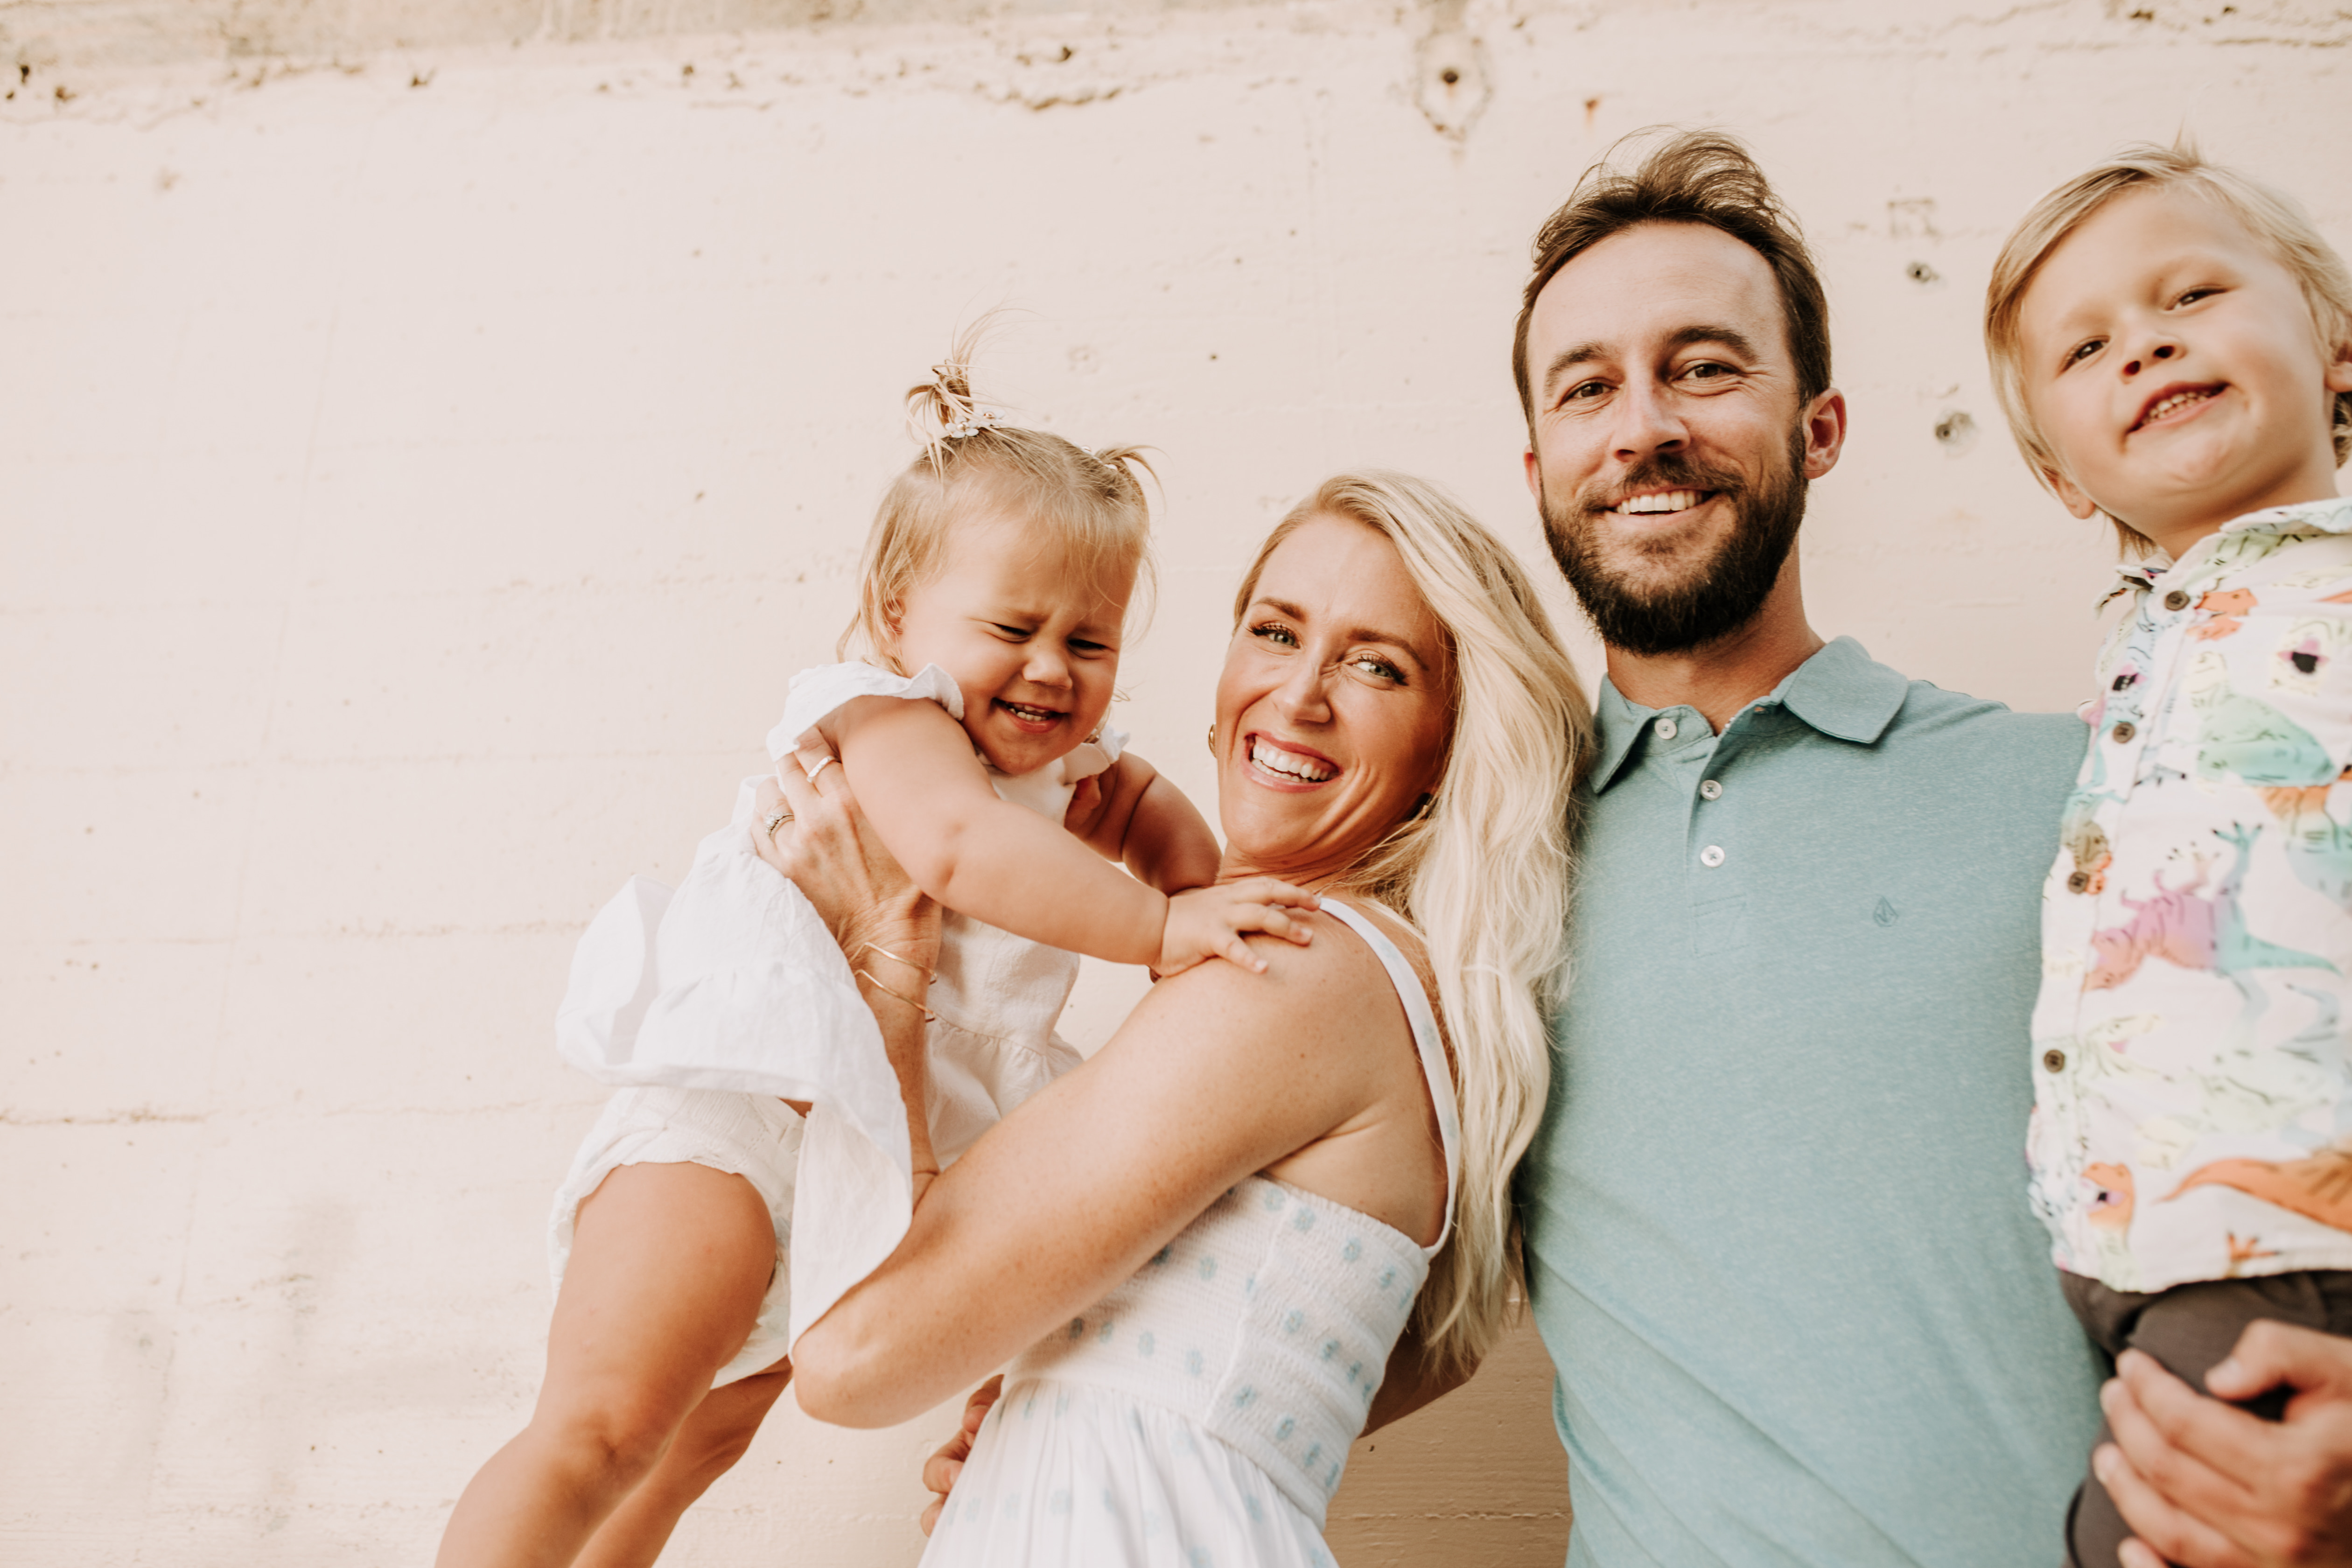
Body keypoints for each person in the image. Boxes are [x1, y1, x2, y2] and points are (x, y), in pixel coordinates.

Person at [1497, 129, 2352, 1568]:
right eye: (1589, 386)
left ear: (1822, 430)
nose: (1642, 424)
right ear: (1538, 464)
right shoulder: (1480, 866)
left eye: (1706, 366)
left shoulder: (2103, 790)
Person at [434, 345, 1316, 1568]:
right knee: (607, 1425)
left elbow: (1150, 811)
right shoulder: (886, 718)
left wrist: (1208, 891)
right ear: (898, 616)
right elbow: (955, 852)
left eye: (1093, 640)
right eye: (1014, 627)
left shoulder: (1063, 768)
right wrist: (1161, 931)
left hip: (880, 1161)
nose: (1055, 667)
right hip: (749, 1125)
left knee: (703, 1442)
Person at [778, 471, 1592, 1566]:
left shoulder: (1293, 969)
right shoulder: (1384, 989)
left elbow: (851, 1357)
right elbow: (1388, 1355)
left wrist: (887, 943)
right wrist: (1054, 1411)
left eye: (1375, 666)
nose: (1300, 695)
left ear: (1447, 750)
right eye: (1275, 630)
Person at [1983, 142, 2352, 1567]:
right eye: (2088, 347)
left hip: (2291, 1256)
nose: (2147, 342)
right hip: (2136, 1279)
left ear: (2335, 347)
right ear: (2060, 473)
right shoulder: (2142, 666)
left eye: (2191, 293)